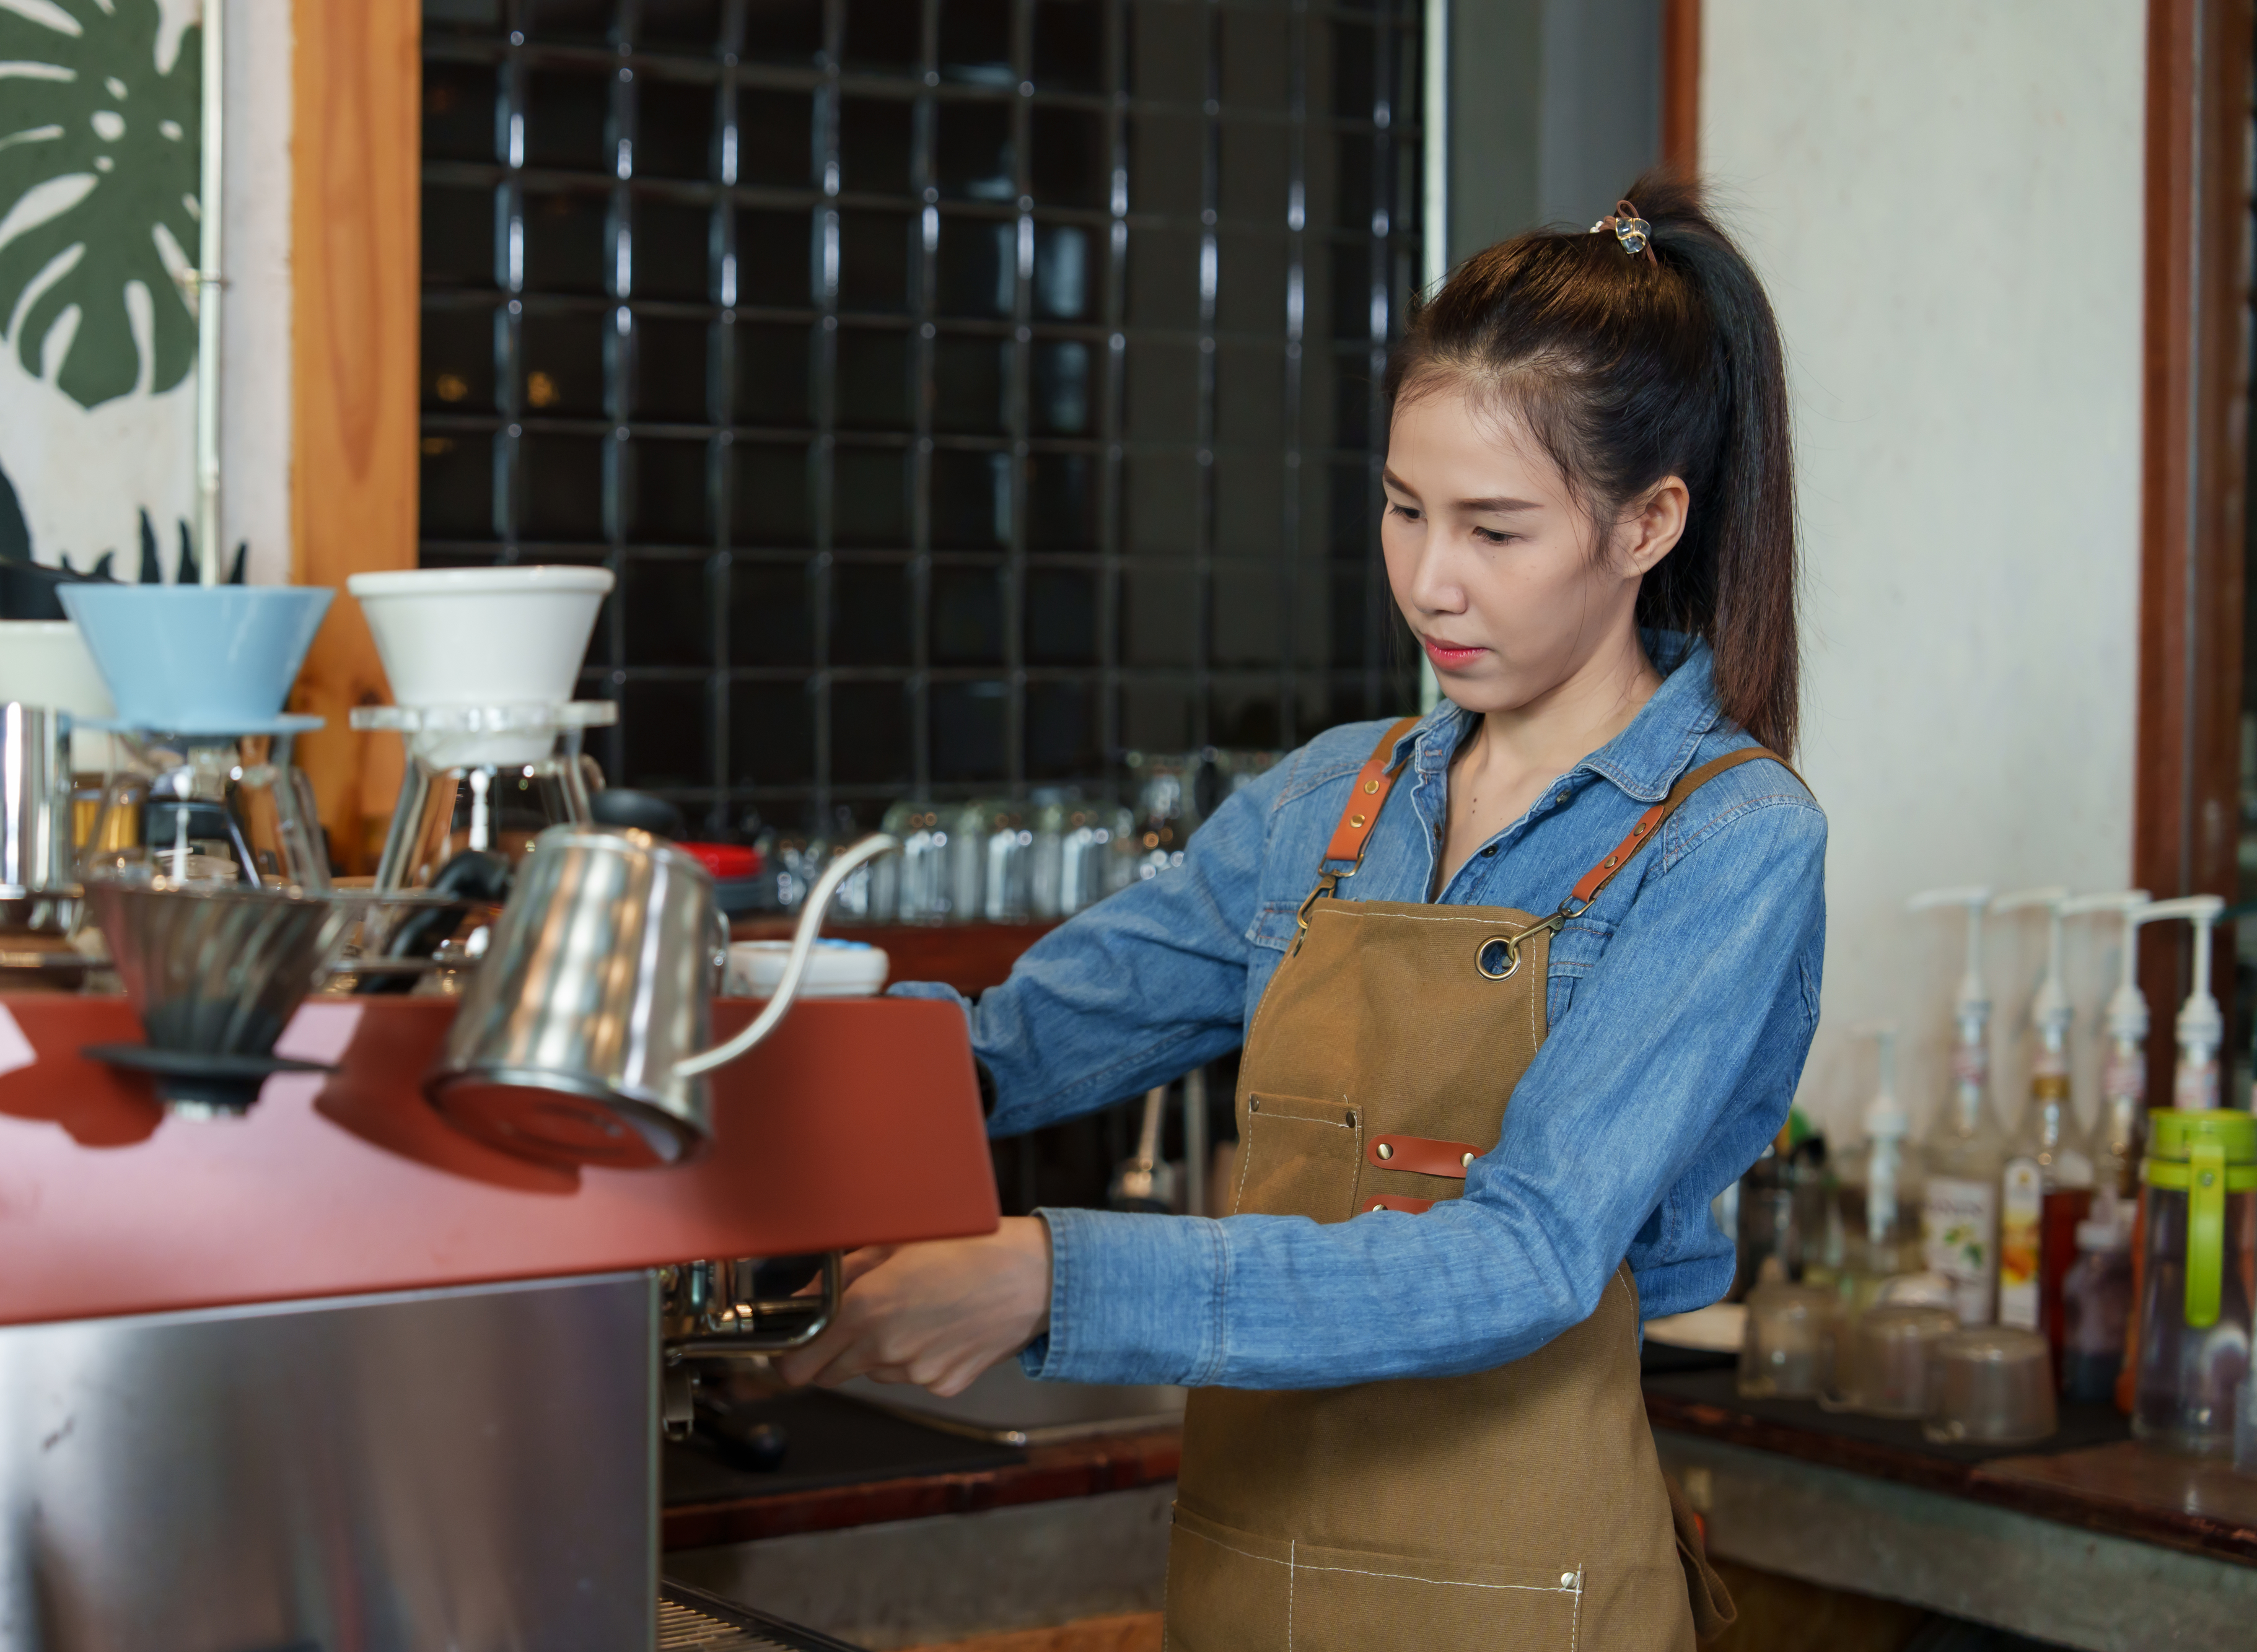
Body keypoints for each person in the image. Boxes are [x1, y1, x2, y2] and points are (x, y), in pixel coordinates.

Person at [779, 172, 1825, 1651]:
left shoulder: (1728, 841)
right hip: (1245, 1579)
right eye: (1403, 509)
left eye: (1495, 529)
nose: (1429, 582)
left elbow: (1524, 1253)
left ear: (1647, 520)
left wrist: (1048, 1275)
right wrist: (740, 1088)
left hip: (1521, 1608)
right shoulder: (1328, 799)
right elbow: (1015, 1047)